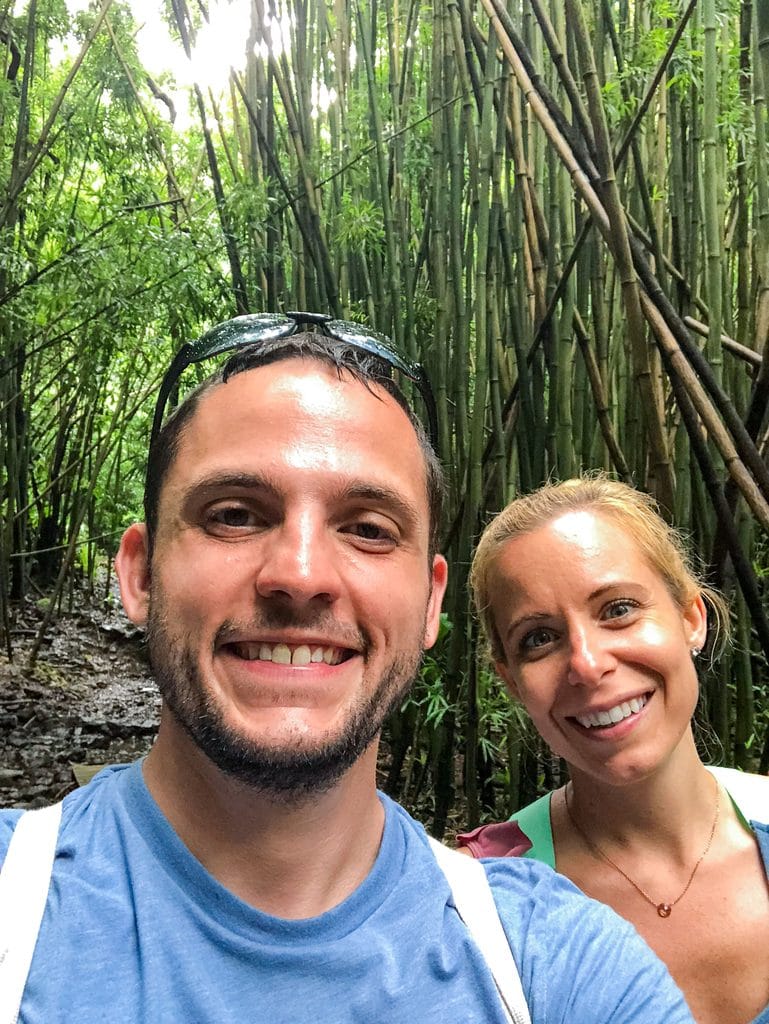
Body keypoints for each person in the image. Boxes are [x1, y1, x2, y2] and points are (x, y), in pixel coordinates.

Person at [0, 317, 694, 1023]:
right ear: (141, 574)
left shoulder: (558, 968)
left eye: (367, 529)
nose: (300, 575)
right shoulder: (13, 908)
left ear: (430, 604)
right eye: (235, 515)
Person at [461, 476, 769, 1024]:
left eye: (619, 608)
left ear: (691, 618)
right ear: (510, 680)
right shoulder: (474, 905)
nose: (586, 663)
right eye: (539, 638)